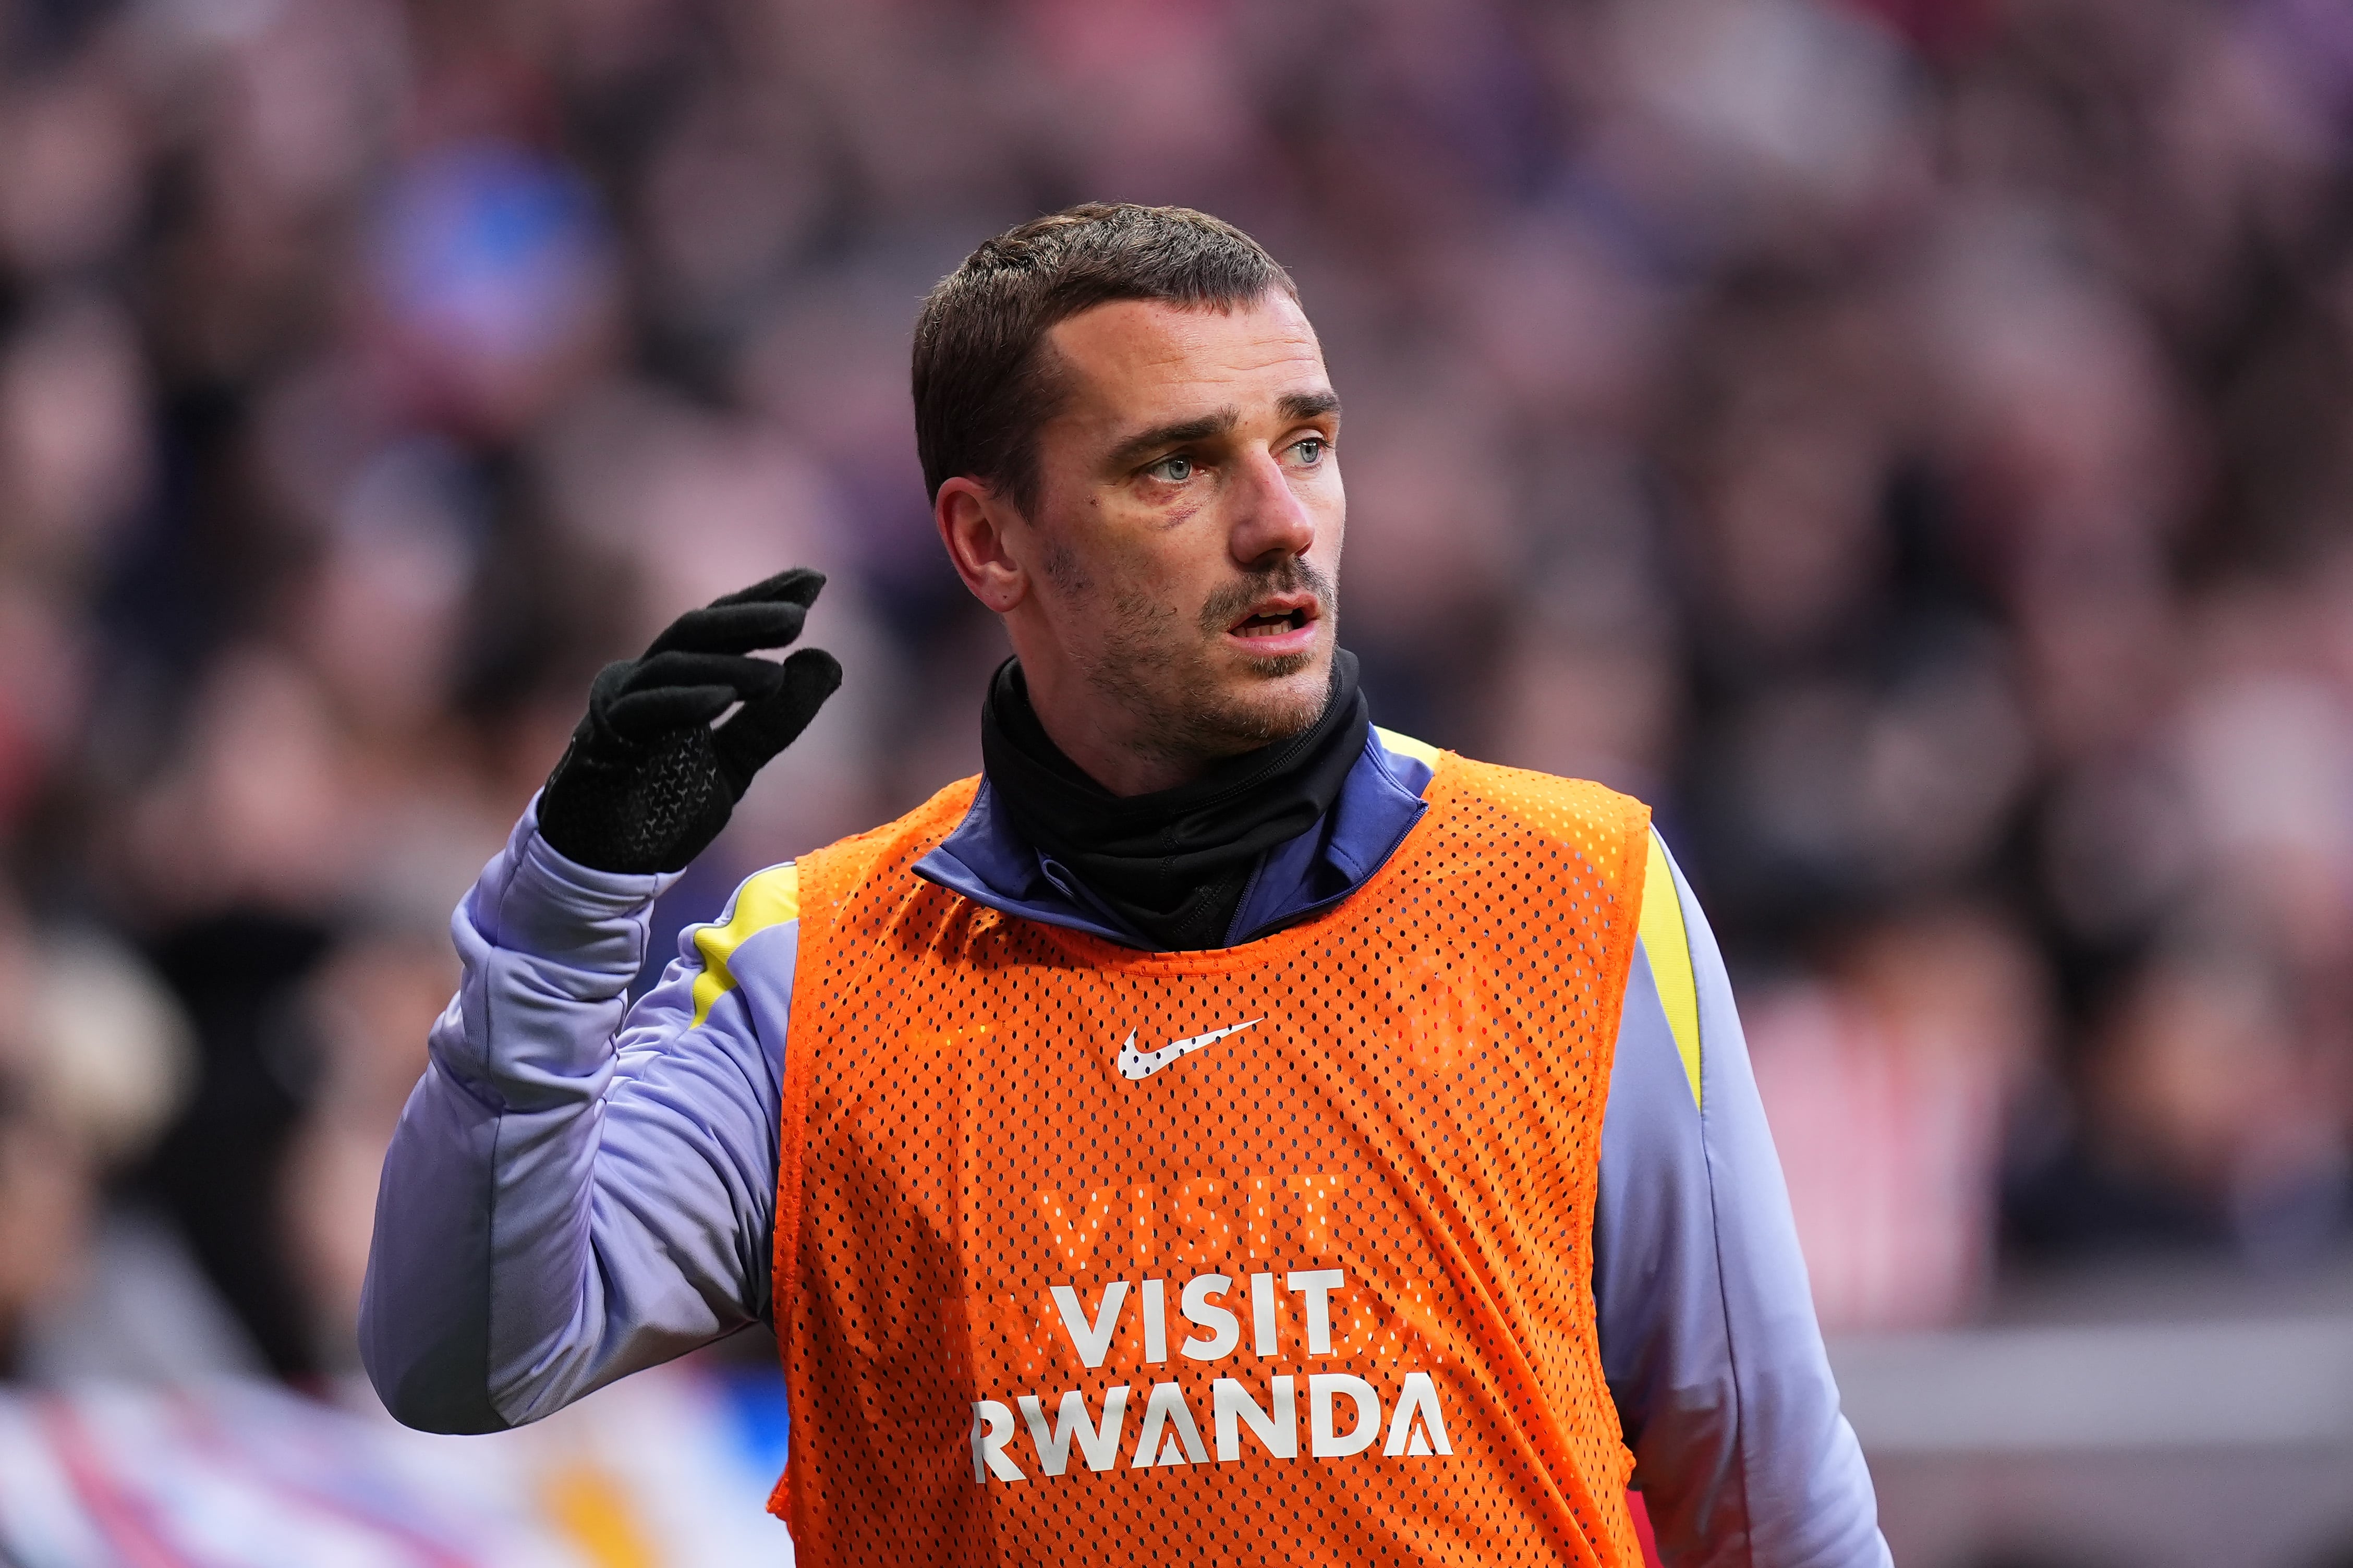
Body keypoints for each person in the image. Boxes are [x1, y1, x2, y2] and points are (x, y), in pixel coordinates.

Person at [362, 203, 1889, 1567]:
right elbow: (462, 1359)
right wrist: (566, 908)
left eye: (1303, 442)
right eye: (1176, 466)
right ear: (988, 540)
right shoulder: (802, 977)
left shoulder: (1578, 893)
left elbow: (1771, 1504)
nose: (1282, 521)